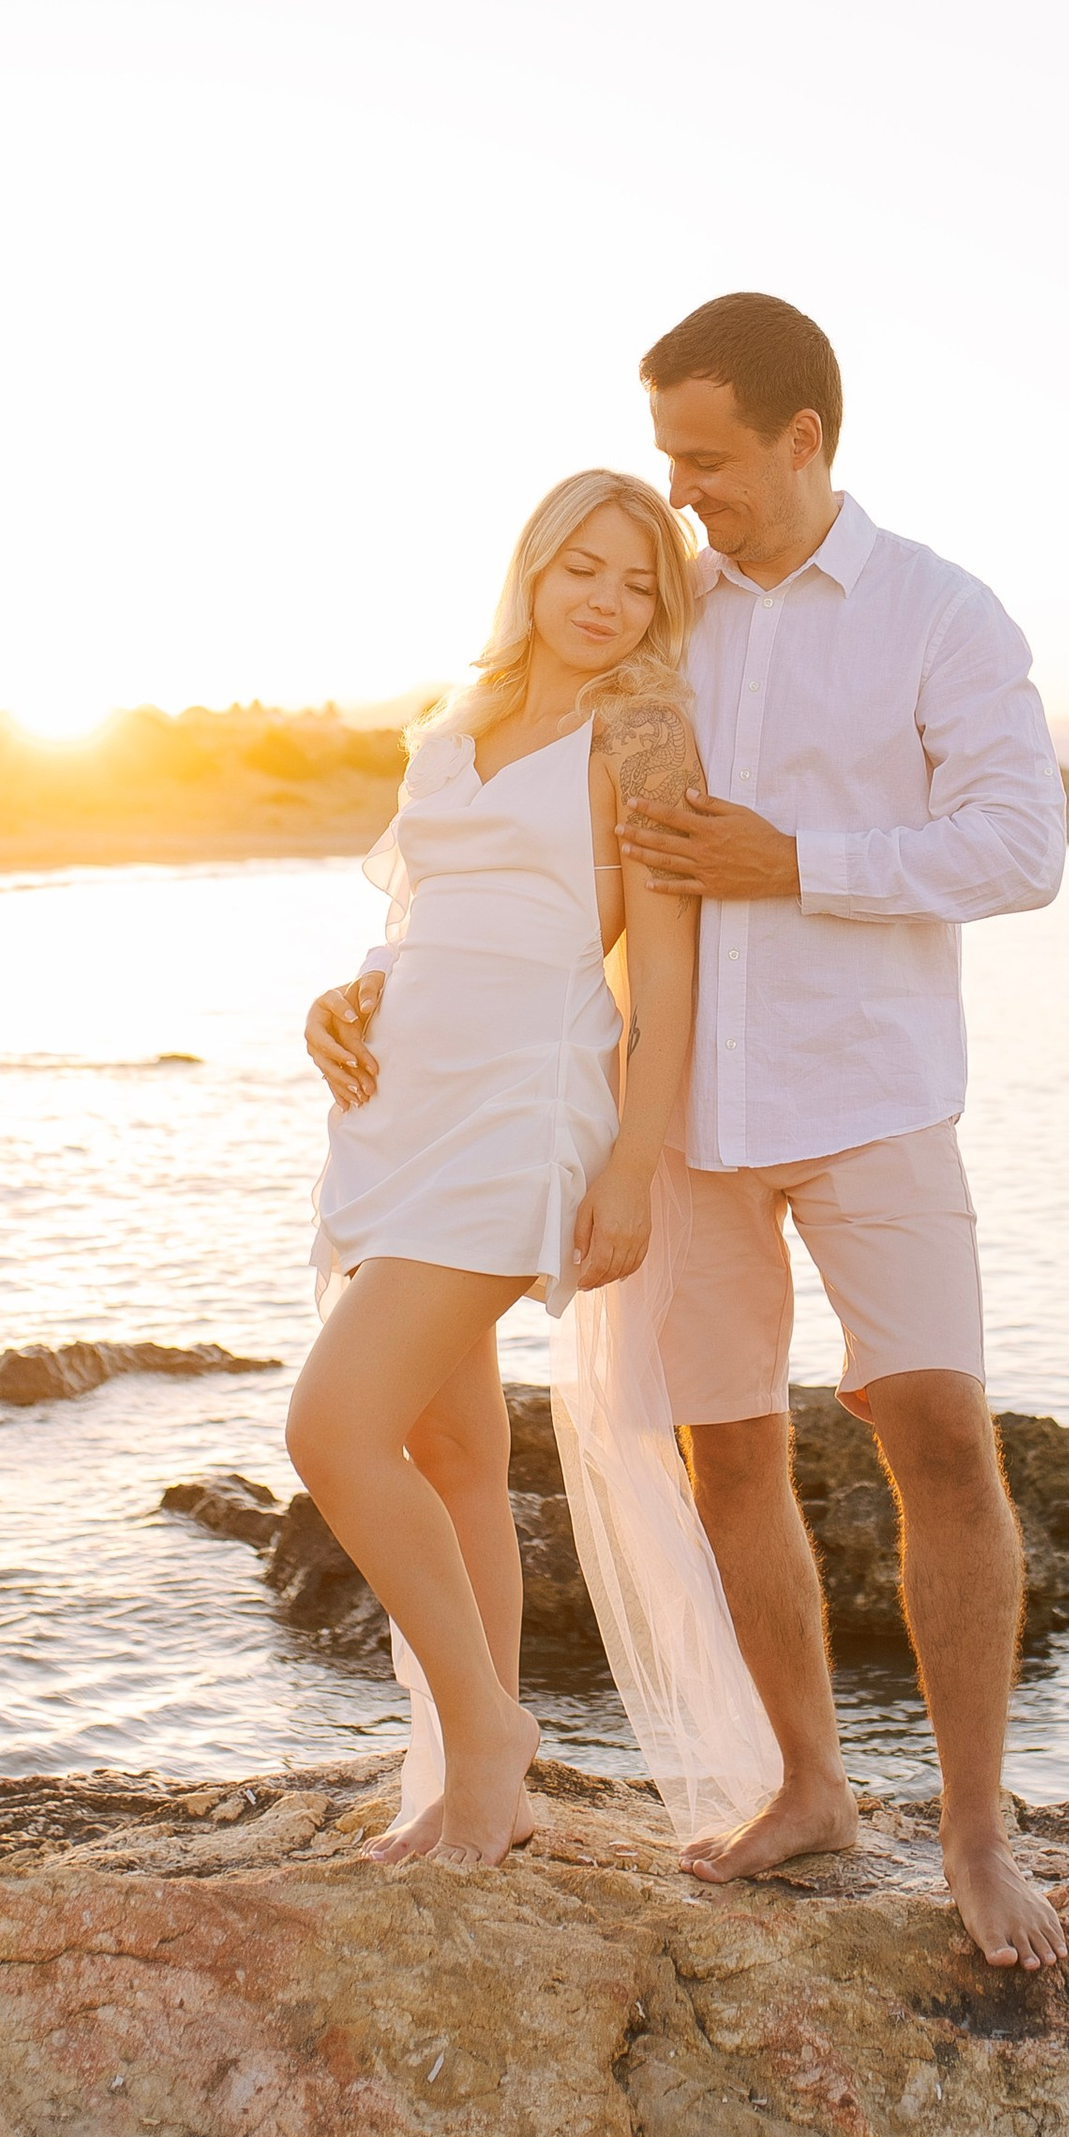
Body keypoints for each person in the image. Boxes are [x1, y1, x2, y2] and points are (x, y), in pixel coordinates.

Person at [613, 293, 1069, 1971]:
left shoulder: (940, 613)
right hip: (683, 1110)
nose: (681, 494)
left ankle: (972, 1830)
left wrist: (793, 859)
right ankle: (811, 1787)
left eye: (707, 459)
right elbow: (556, 826)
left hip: (872, 1097)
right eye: (669, 456)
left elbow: (1020, 847)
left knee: (939, 1433)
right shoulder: (663, 620)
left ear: (804, 439)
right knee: (724, 1447)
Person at [293, 469, 774, 1870]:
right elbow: (422, 916)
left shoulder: (645, 733)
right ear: (534, 567)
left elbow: (665, 986)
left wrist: (631, 1165)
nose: (605, 601)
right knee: (447, 1452)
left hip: (526, 1109)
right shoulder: (455, 723)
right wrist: (347, 996)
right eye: (584, 568)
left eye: (639, 584)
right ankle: (469, 1786)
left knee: (331, 1431)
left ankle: (493, 1728)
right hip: (399, 1104)